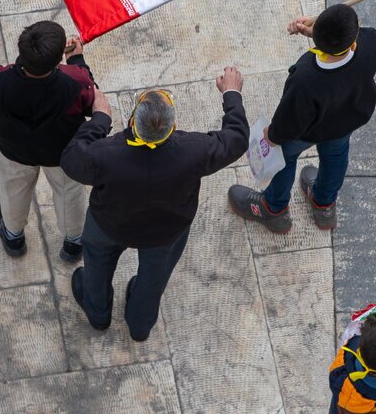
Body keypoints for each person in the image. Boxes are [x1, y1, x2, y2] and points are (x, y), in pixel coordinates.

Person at [61, 67, 248, 341]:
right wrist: (231, 94)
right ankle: (139, 325)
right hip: (166, 232)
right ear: (172, 127)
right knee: (153, 278)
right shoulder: (194, 151)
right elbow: (236, 139)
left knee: (97, 266)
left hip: (109, 225)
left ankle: (97, 312)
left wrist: (100, 119)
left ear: (131, 121)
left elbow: (71, 159)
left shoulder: (104, 155)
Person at [228, 4, 376, 233]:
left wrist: (273, 136)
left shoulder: (306, 76)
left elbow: (291, 115)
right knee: (336, 156)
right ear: (353, 41)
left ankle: (273, 209)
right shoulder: (370, 46)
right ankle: (324, 205)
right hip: (344, 122)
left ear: (317, 41)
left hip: (307, 132)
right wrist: (324, 32)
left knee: (285, 158)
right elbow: (374, 40)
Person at [0, 21, 95, 262]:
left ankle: (13, 236)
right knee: (69, 192)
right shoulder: (75, 82)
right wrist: (76, 60)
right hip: (62, 152)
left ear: (21, 50)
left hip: (15, 150)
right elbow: (91, 101)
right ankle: (74, 242)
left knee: (14, 189)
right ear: (57, 60)